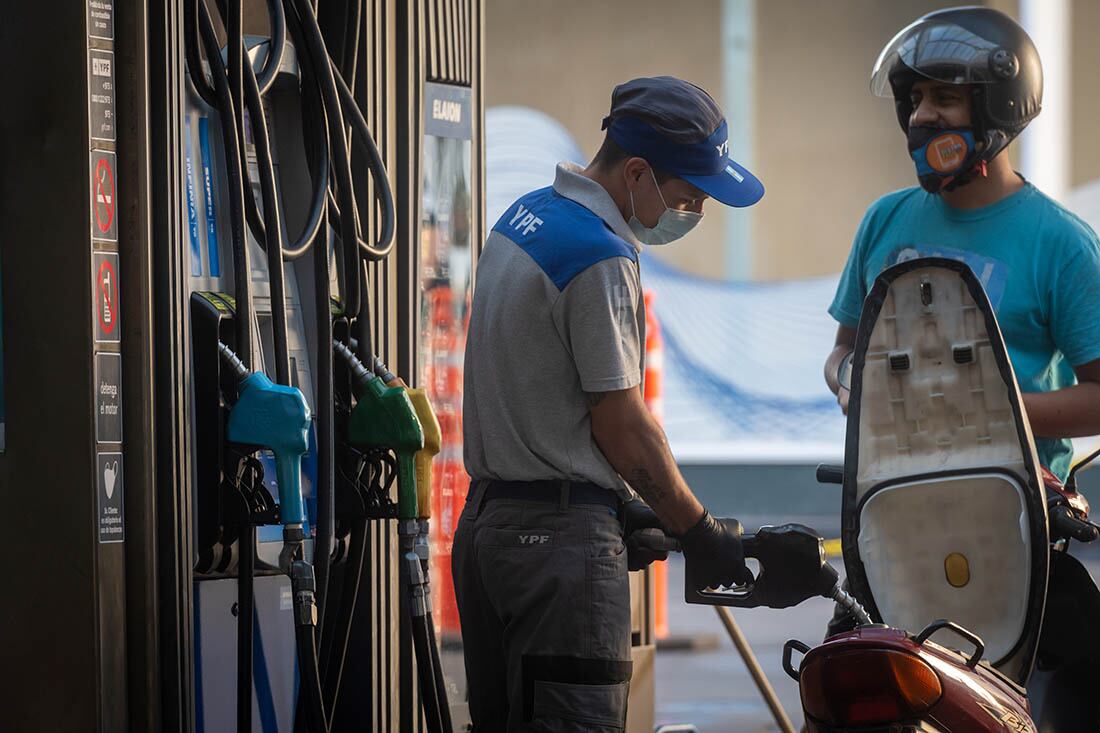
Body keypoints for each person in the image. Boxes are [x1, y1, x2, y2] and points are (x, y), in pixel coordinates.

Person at [453, 76, 763, 730]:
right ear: (639, 173)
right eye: (690, 195)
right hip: (554, 552)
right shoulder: (599, 254)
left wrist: (617, 507)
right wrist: (696, 528)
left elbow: (538, 391)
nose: (695, 212)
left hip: (490, 531)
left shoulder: (526, 217)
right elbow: (622, 422)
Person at [824, 7, 1100, 632]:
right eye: (915, 98)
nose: (921, 116)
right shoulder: (883, 220)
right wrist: (852, 385)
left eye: (944, 98)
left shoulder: (1060, 243)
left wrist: (986, 408)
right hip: (888, 522)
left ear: (1000, 108)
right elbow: (842, 351)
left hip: (1011, 534)